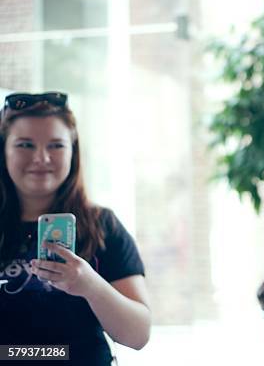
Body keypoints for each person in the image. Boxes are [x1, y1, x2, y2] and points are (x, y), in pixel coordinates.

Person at [0, 92, 151, 365]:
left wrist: (90, 286)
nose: (41, 158)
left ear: (73, 151)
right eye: (25, 145)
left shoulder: (103, 225)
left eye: (56, 145)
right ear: (3, 150)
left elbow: (138, 335)